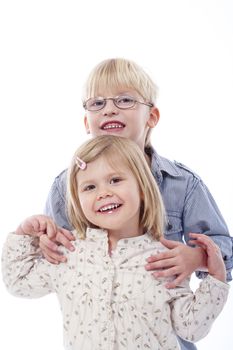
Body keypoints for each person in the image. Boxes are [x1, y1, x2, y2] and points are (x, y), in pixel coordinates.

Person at [39, 58, 232, 350]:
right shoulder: (65, 187)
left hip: (166, 337)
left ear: (151, 116)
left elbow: (224, 245)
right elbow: (53, 260)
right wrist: (43, 245)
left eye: (125, 99)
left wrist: (198, 257)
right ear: (86, 123)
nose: (109, 108)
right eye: (97, 103)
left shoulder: (182, 184)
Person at [2, 135, 229, 350]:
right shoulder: (69, 252)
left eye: (115, 180)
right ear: (77, 200)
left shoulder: (164, 258)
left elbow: (191, 328)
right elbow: (19, 282)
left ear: (142, 188)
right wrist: (24, 234)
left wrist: (215, 280)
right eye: (89, 187)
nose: (103, 193)